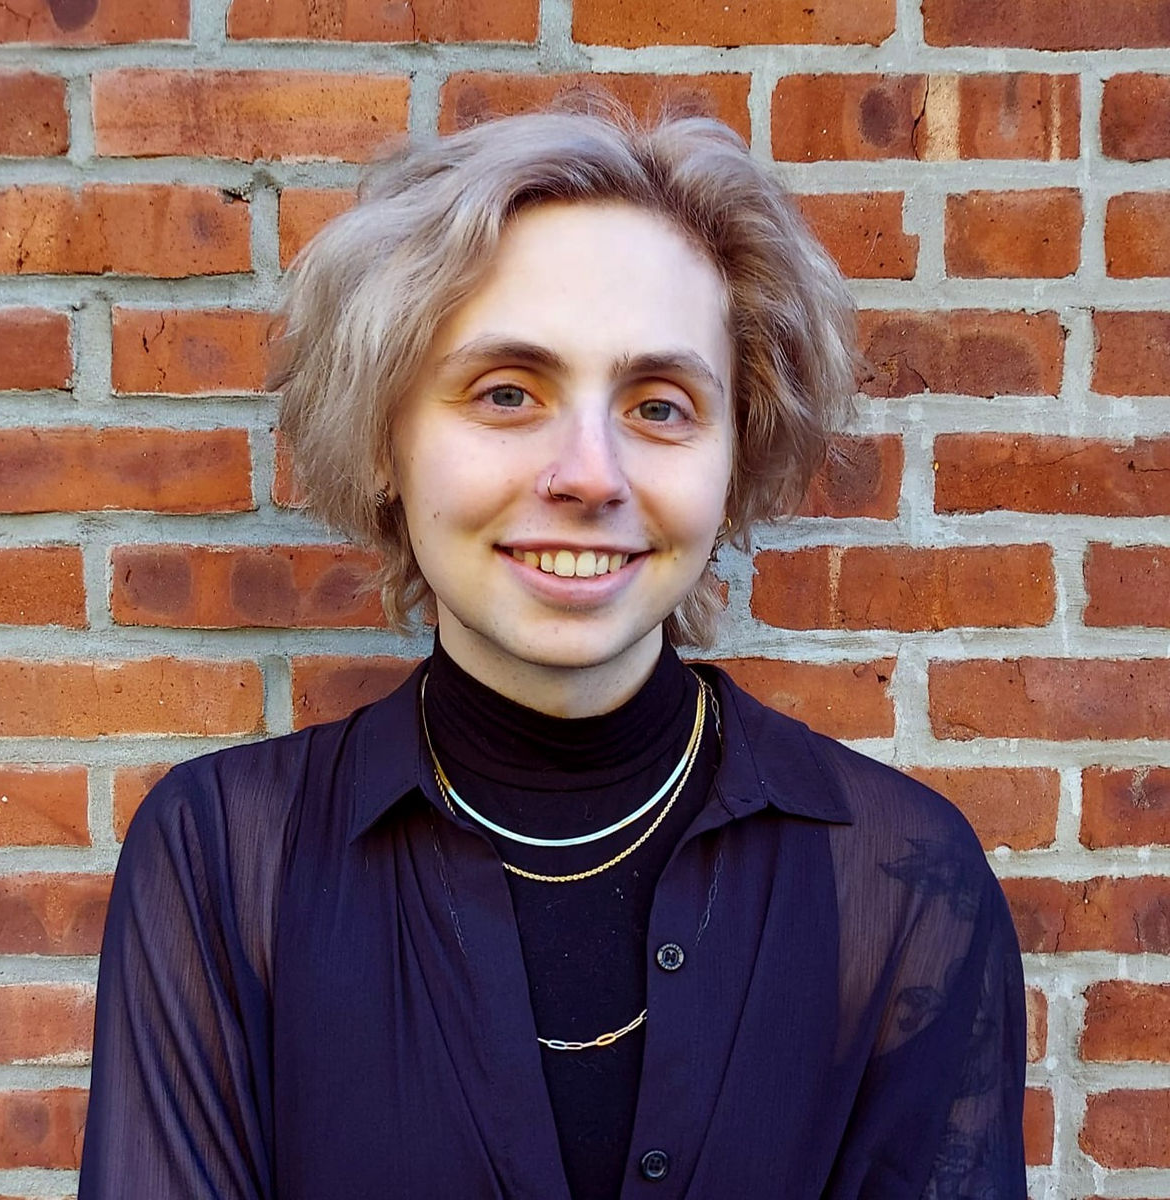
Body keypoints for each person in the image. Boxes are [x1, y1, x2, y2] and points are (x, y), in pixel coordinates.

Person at [78, 108, 1027, 1199]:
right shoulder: (218, 862)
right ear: (387, 439)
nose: (590, 475)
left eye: (660, 406)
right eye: (507, 394)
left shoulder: (905, 881)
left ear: (736, 456)